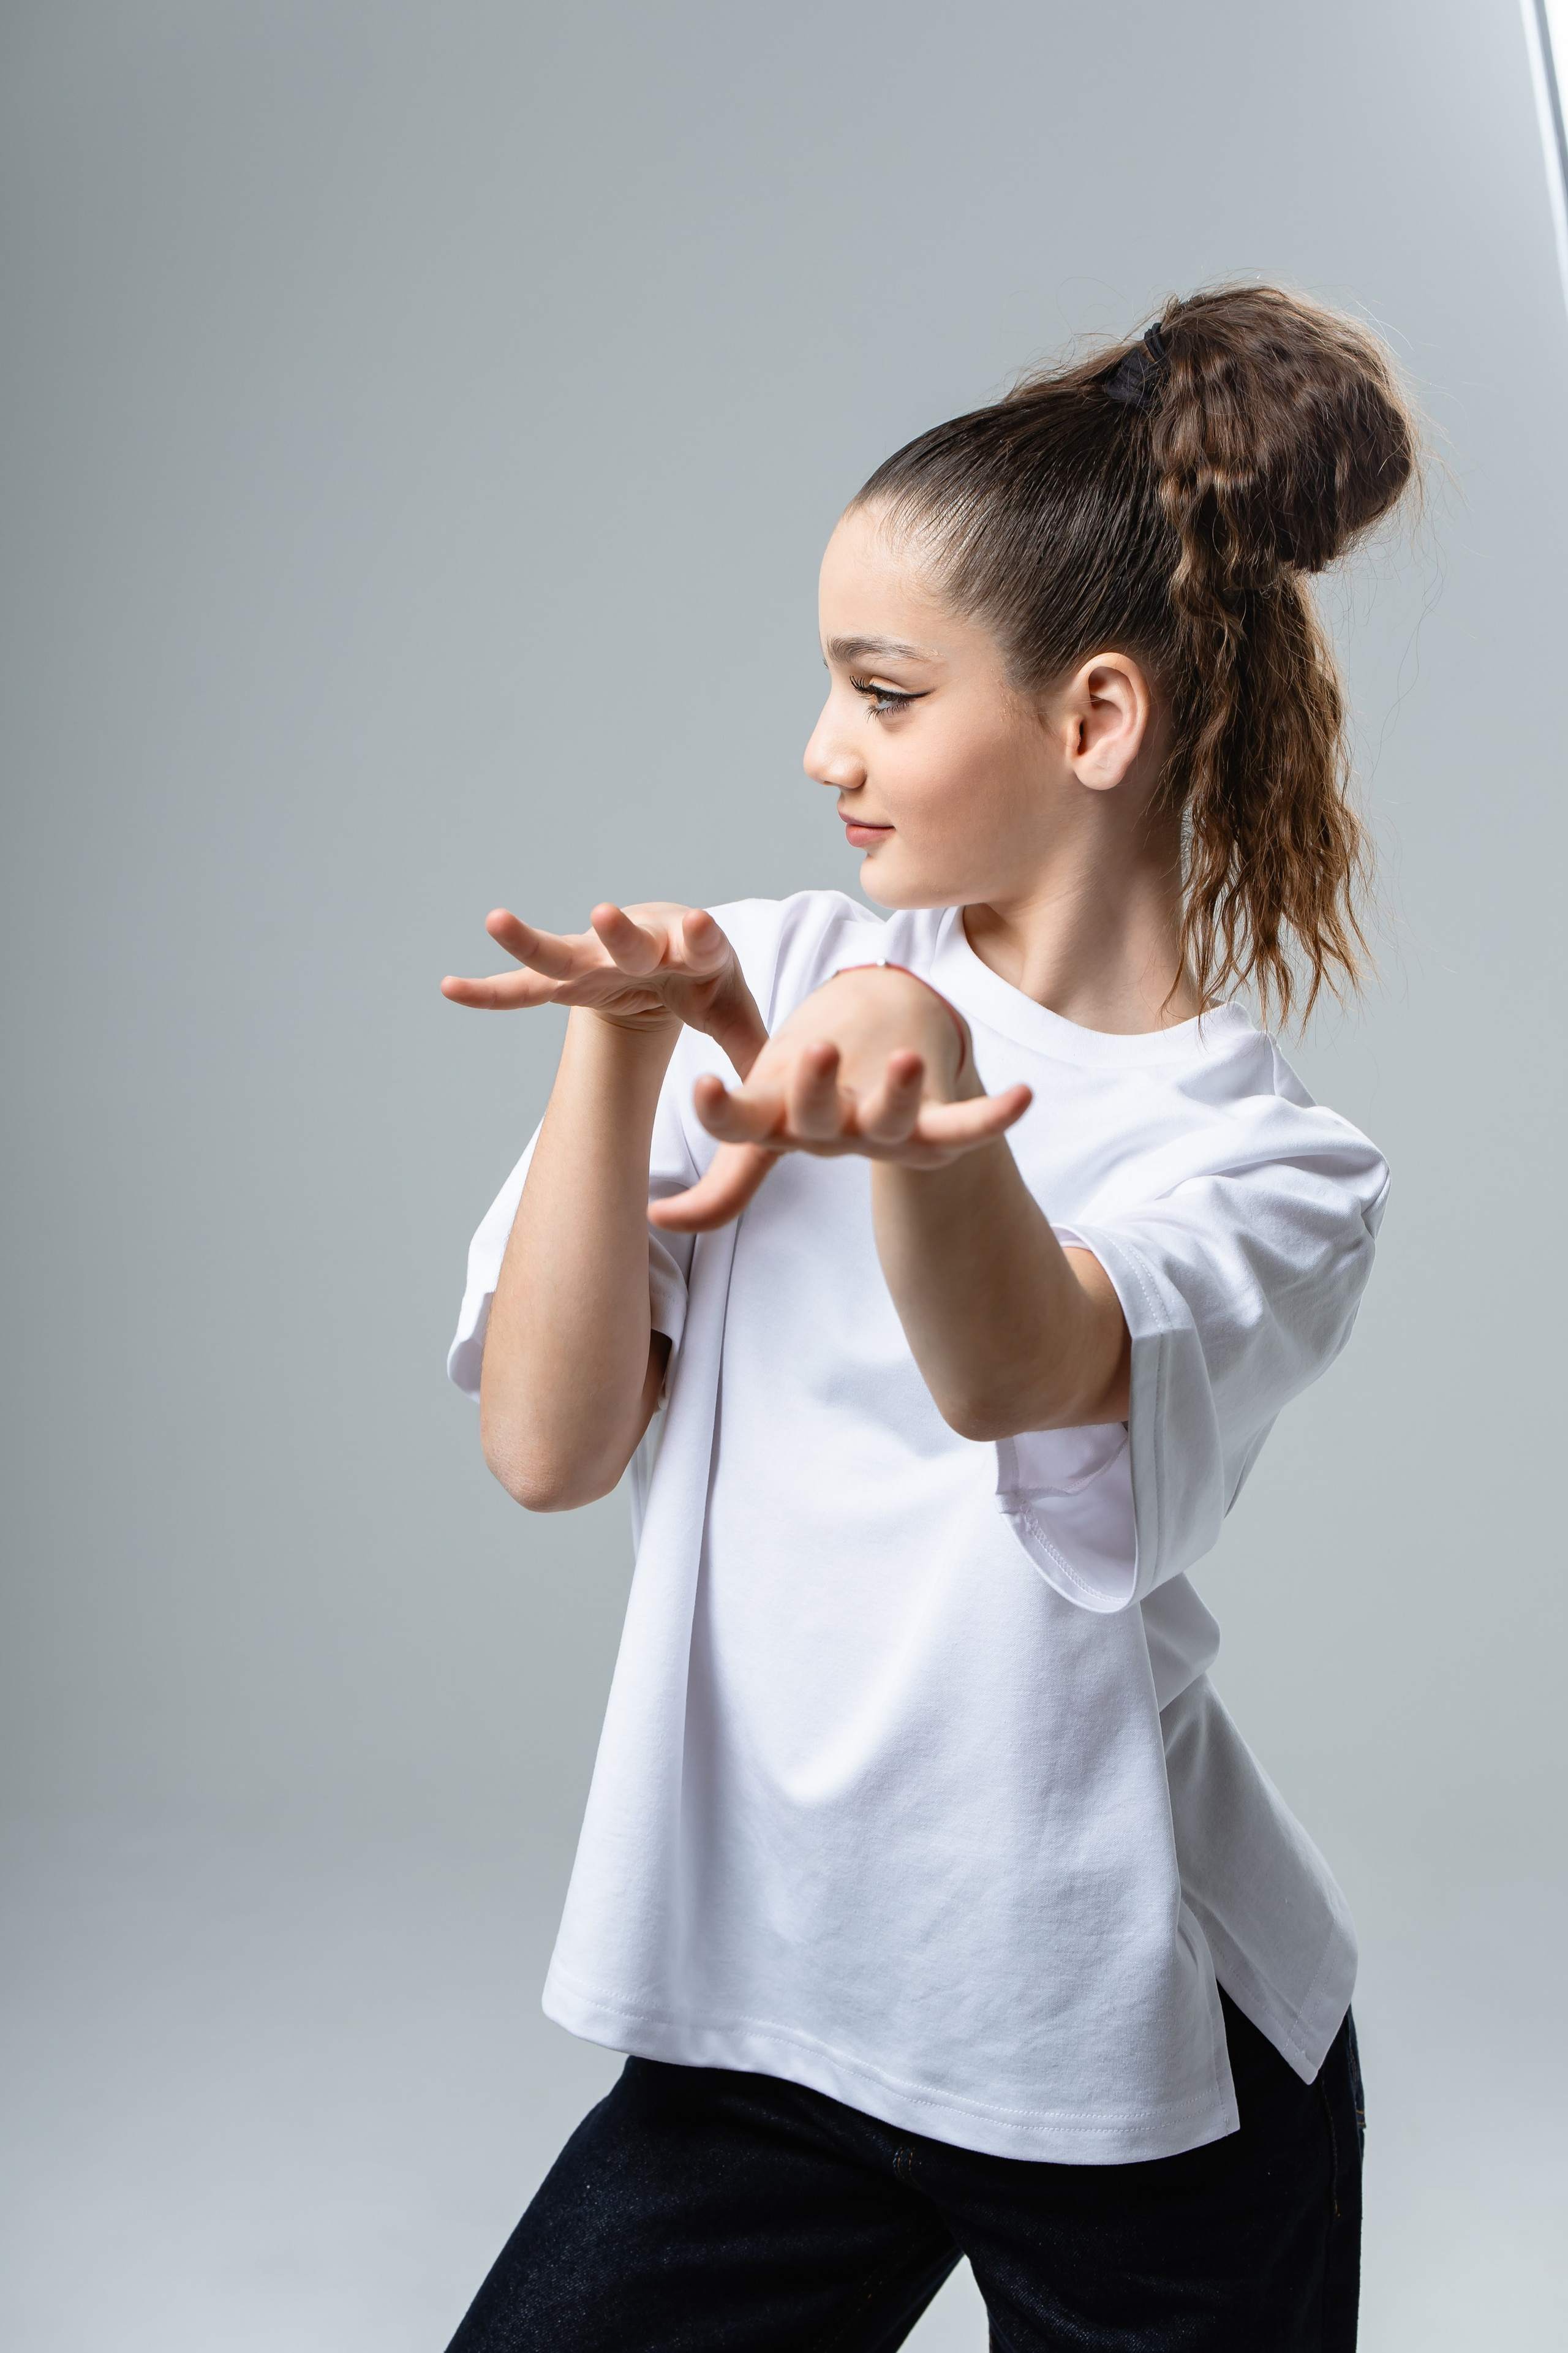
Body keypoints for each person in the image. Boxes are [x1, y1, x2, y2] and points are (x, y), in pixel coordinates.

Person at [438, 285, 1415, 2351]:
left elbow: (1030, 1377)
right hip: (779, 2007)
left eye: (882, 694)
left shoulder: (1270, 1166)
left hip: (1146, 2053)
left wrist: (904, 1080)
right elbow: (549, 1447)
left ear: (1093, 723)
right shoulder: (765, 975)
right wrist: (615, 1059)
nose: (823, 752)